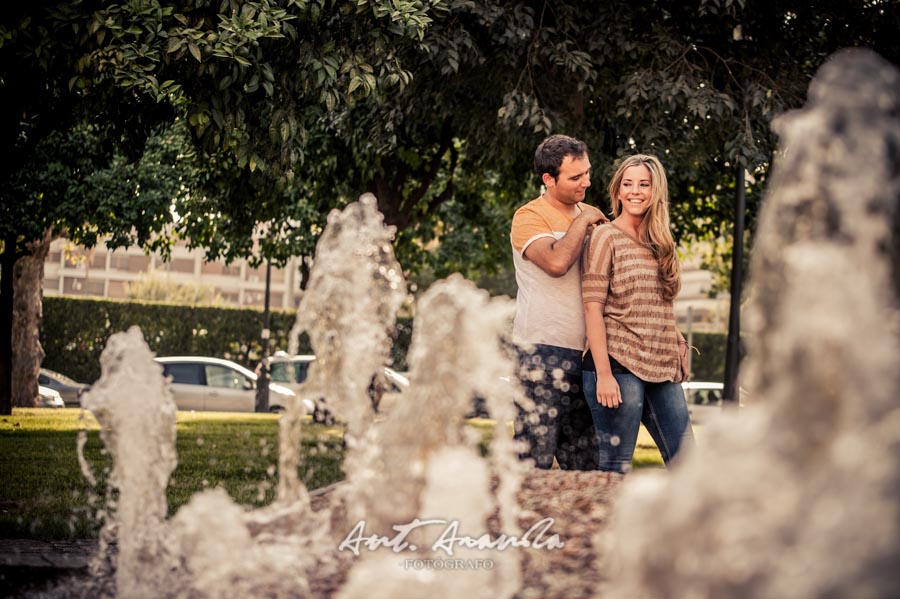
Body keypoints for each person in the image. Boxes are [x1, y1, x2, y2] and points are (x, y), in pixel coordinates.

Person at [581, 154, 694, 473]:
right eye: (627, 184)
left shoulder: (661, 243)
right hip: (617, 364)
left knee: (687, 463)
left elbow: (659, 305)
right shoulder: (605, 236)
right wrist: (603, 374)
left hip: (660, 365)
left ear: (655, 191)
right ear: (617, 191)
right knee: (616, 466)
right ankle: (603, 525)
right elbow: (592, 307)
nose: (635, 191)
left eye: (644, 184)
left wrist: (678, 344)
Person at [510, 134, 607, 470]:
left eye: (587, 173)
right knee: (531, 460)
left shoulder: (594, 218)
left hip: (588, 356)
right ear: (548, 179)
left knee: (587, 464)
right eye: (576, 177)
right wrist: (582, 221)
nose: (587, 182)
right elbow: (556, 264)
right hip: (541, 350)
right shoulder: (529, 216)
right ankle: (520, 524)